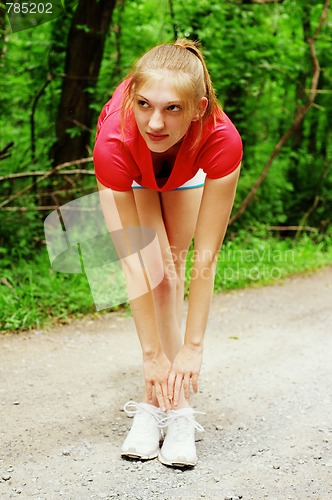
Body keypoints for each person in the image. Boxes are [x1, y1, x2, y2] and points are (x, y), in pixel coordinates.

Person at [93, 39, 242, 467]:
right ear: (133, 99)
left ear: (197, 107)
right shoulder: (115, 141)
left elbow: (206, 259)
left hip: (187, 168)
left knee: (174, 272)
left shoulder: (221, 141)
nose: (155, 122)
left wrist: (194, 347)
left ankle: (171, 406)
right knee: (154, 273)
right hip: (131, 167)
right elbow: (133, 266)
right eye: (143, 104)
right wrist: (152, 357)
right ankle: (167, 406)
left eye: (172, 108)